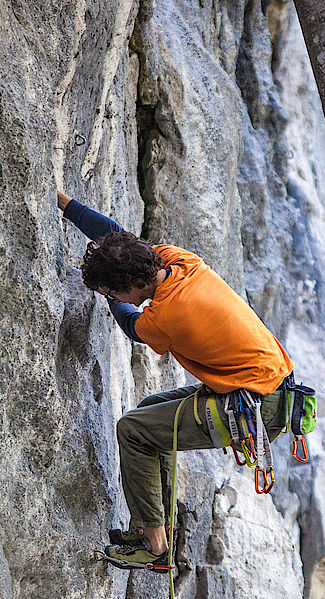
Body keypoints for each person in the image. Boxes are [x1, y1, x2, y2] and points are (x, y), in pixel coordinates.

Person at [57, 190, 294, 571]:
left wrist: (109, 296)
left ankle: (152, 546)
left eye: (115, 289)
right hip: (264, 387)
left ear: (127, 287)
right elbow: (117, 236)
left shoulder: (167, 315)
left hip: (252, 406)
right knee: (151, 414)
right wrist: (65, 204)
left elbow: (131, 323)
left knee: (133, 430)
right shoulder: (178, 259)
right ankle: (158, 530)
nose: (115, 296)